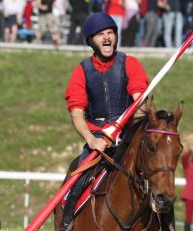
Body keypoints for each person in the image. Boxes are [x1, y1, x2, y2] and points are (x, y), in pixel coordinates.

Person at [62, 12, 149, 230]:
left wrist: (134, 129)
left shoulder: (130, 64)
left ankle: (167, 224)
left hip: (127, 137)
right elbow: (76, 113)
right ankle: (66, 223)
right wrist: (91, 140)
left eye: (110, 32)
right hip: (97, 140)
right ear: (91, 40)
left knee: (157, 177)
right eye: (101, 34)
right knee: (77, 178)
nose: (107, 37)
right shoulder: (81, 71)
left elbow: (140, 103)